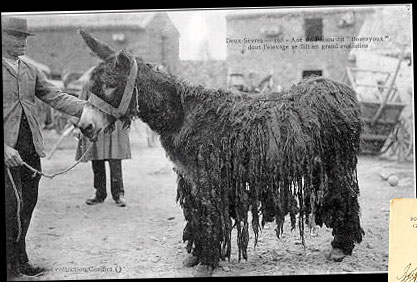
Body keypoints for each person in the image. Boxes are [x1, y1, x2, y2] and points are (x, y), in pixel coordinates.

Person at [3, 16, 87, 279]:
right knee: (10, 208)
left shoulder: (29, 70)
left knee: (28, 204)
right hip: (7, 151)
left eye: (24, 38)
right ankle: (9, 264)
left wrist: (89, 109)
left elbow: (55, 96)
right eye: (16, 37)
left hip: (29, 150)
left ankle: (20, 259)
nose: (22, 42)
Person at [75, 76, 131, 208]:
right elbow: (80, 103)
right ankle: (99, 193)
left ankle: (119, 194)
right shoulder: (89, 84)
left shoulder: (118, 85)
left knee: (115, 160)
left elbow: (126, 105)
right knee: (97, 160)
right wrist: (76, 125)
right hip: (94, 125)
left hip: (114, 127)